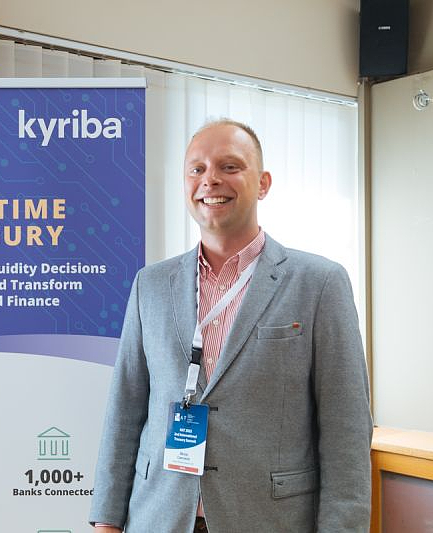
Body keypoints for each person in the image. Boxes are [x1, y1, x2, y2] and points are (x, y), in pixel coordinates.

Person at [88, 119, 372, 532]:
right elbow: (125, 411)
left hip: (269, 520)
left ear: (263, 183)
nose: (211, 181)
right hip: (159, 517)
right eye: (197, 169)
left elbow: (346, 431)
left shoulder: (320, 283)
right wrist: (107, 522)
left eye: (230, 166)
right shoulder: (150, 284)